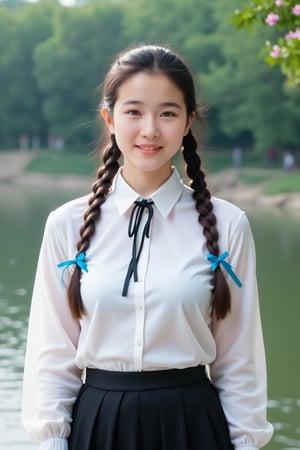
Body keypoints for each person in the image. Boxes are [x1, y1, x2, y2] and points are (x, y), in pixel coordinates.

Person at [22, 45, 273, 450]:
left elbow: (238, 360)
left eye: (168, 113)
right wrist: (52, 440)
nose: (150, 129)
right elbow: (52, 357)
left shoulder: (228, 227)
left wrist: (246, 443)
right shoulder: (66, 226)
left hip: (193, 426)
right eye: (134, 111)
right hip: (98, 425)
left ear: (189, 120)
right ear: (110, 117)